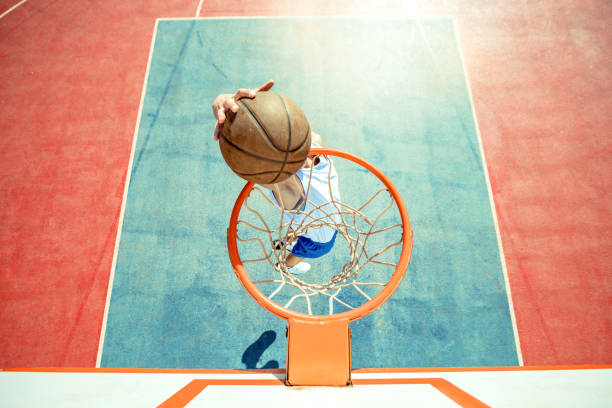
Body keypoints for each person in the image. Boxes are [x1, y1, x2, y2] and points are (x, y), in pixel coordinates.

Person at [212, 80, 341, 274]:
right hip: (320, 240)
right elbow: (294, 131)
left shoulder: (285, 183)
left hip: (311, 223)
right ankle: (286, 266)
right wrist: (231, 108)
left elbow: (252, 164)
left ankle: (287, 241)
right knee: (301, 251)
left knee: (299, 228)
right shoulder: (315, 146)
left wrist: (230, 109)